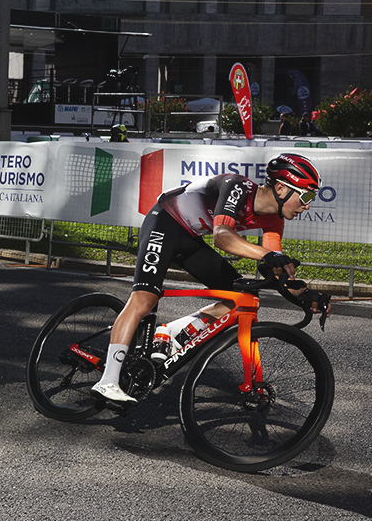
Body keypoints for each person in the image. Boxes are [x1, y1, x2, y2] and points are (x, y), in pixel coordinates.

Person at [90, 153, 329, 406]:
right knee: (144, 300)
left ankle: (169, 332)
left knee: (238, 297)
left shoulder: (274, 219)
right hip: (164, 221)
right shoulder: (237, 186)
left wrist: (304, 295)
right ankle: (108, 381)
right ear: (281, 188)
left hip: (189, 237)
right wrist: (269, 255)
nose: (308, 205)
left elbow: (277, 269)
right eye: (306, 196)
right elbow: (222, 237)